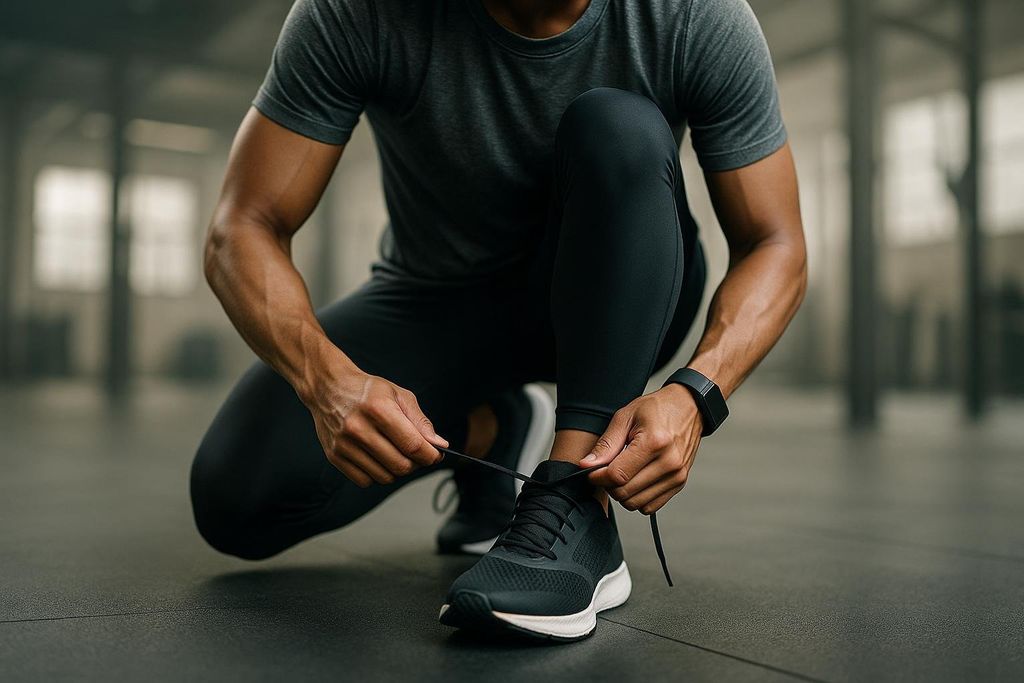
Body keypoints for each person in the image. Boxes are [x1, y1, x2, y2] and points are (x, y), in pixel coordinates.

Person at [190, 0, 807, 642]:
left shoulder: (697, 16)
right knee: (237, 499)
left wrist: (697, 394)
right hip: (437, 301)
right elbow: (243, 225)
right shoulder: (359, 13)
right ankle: (495, 428)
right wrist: (328, 383)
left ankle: (576, 501)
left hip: (620, 287)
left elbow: (775, 243)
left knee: (617, 124)